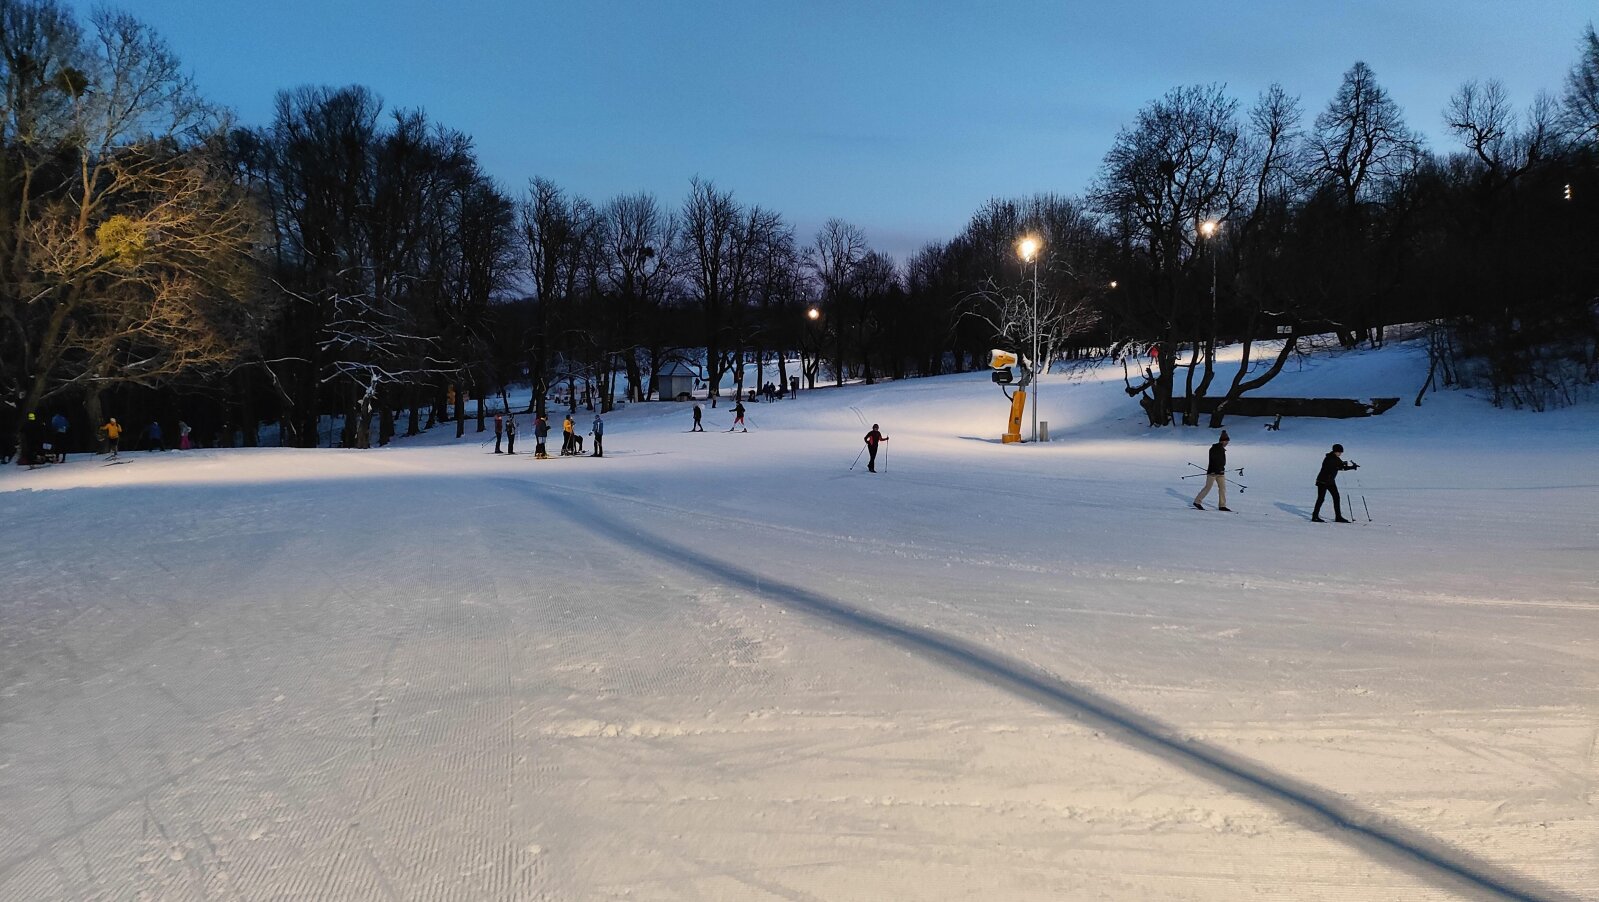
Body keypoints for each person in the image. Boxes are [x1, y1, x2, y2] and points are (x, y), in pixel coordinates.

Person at [1312, 443, 1359, 523]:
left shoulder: (1336, 458)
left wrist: (1352, 467)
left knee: (1336, 497)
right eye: (1339, 452)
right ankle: (1315, 516)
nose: (1340, 454)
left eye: (1341, 452)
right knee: (1321, 499)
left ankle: (1338, 517)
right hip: (1323, 481)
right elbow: (1335, 467)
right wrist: (1342, 466)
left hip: (1330, 481)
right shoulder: (1329, 458)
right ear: (1335, 451)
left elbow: (1341, 466)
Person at [1192, 430, 1232, 511]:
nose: (1227, 443)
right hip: (1213, 472)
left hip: (1220, 473)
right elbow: (1214, 460)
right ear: (1223, 441)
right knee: (1208, 487)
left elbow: (1221, 462)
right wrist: (1215, 470)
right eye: (1227, 441)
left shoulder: (1222, 449)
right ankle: (1197, 502)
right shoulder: (1214, 449)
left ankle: (1222, 505)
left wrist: (1221, 470)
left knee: (1222, 488)